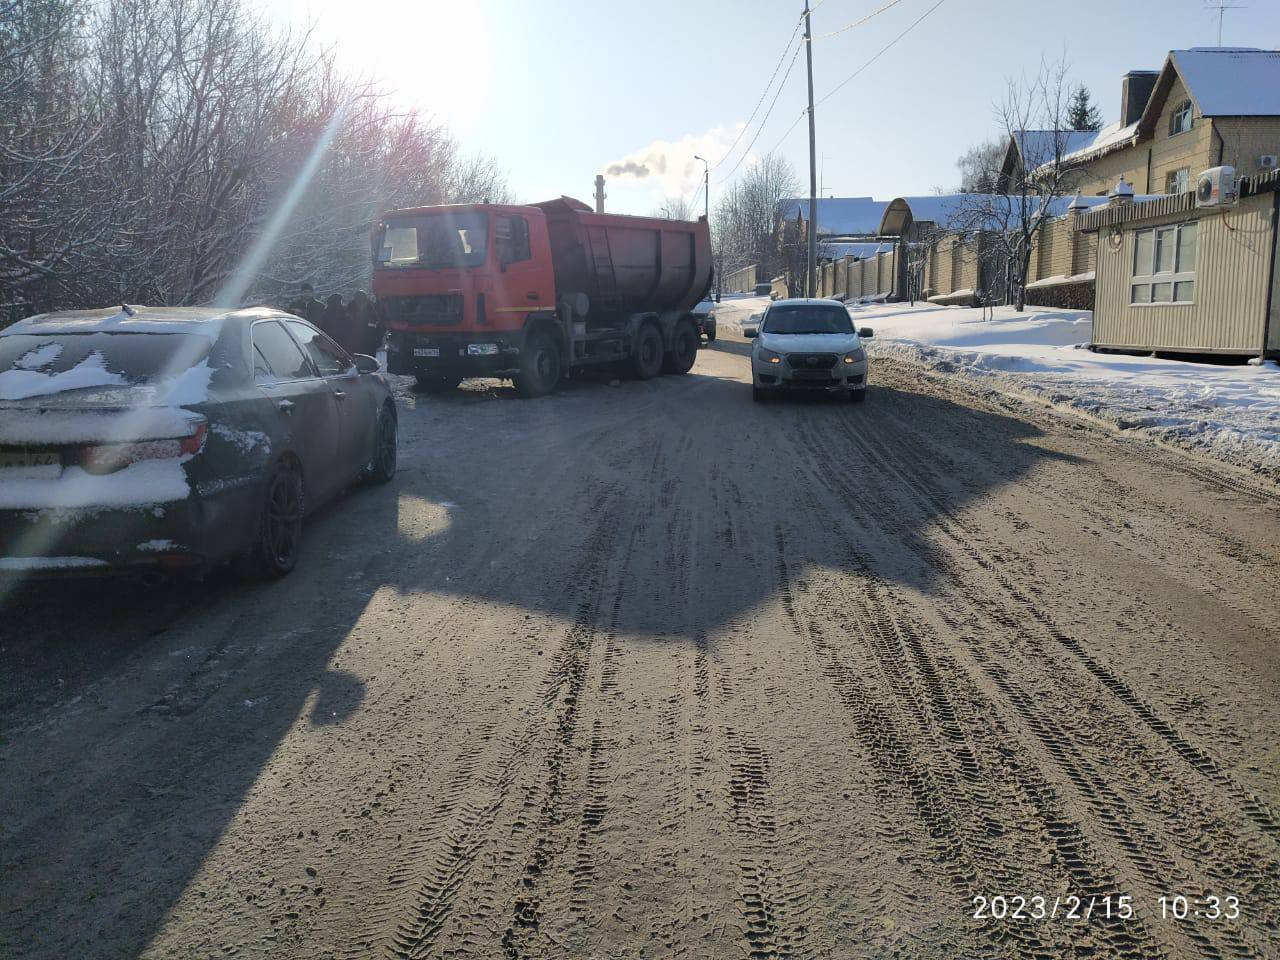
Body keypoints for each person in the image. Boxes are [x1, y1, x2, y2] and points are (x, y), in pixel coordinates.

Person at [349, 290, 383, 357]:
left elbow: (379, 326)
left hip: (368, 343)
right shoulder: (350, 310)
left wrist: (378, 340)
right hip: (360, 344)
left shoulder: (372, 309)